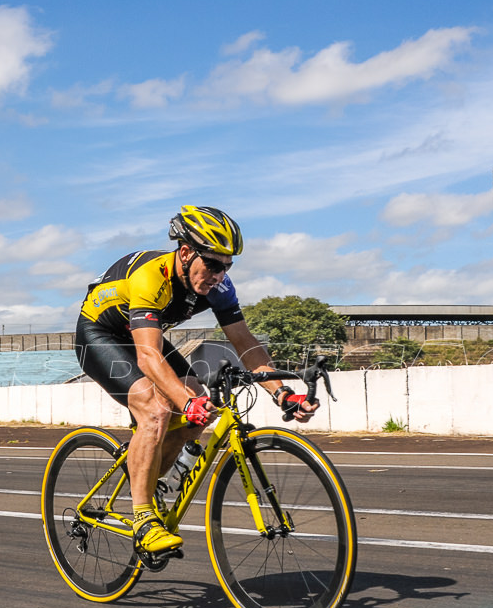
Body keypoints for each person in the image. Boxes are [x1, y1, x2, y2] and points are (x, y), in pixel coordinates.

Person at [75, 205, 319, 555]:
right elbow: (148, 356)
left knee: (197, 405)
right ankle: (144, 519)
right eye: (214, 264)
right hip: (100, 334)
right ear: (186, 253)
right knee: (157, 409)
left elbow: (246, 344)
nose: (220, 274)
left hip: (140, 334)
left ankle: (148, 479)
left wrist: (281, 393)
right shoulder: (151, 276)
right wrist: (183, 403)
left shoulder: (219, 287)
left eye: (228, 266)